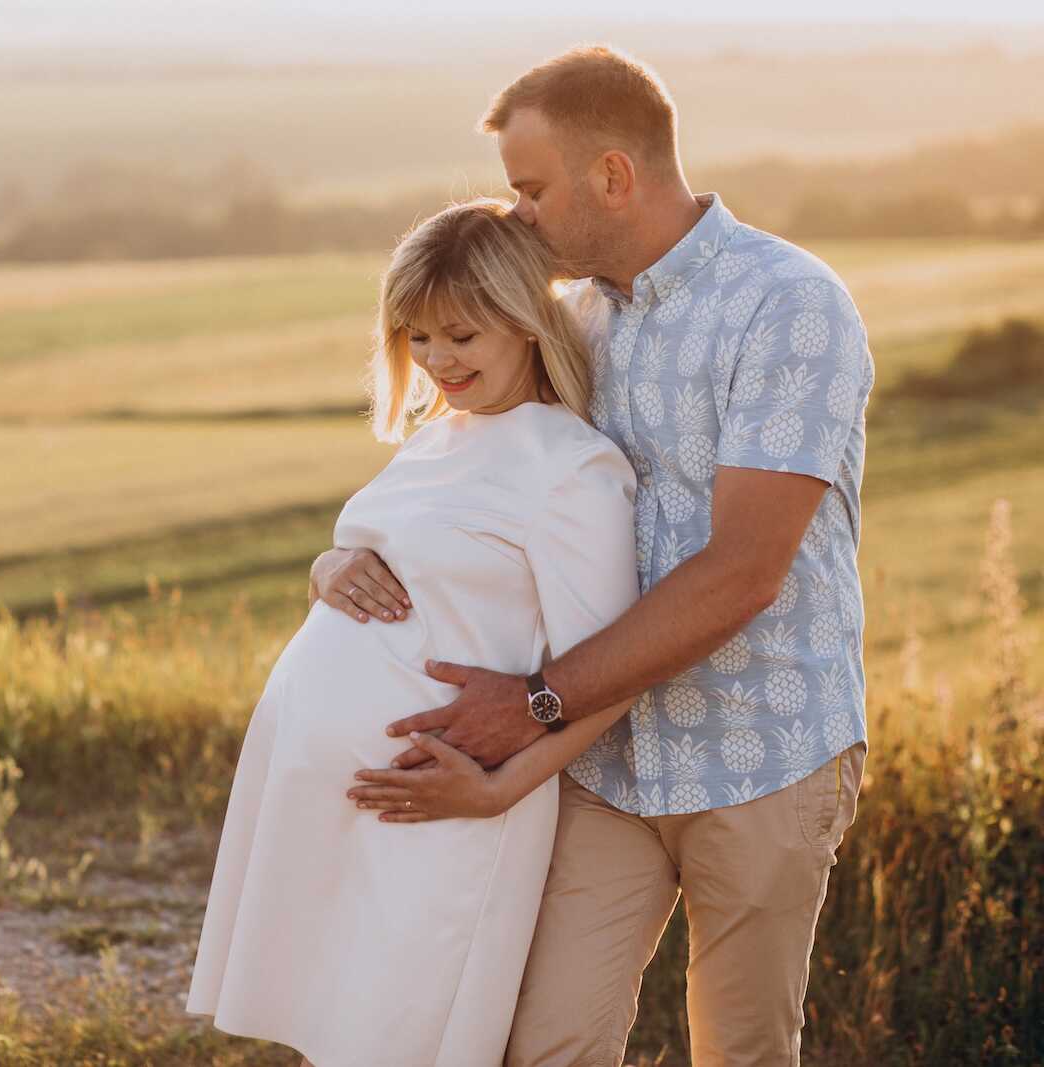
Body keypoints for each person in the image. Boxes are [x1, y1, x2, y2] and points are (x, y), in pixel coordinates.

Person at [336, 46, 874, 1066]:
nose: (517, 216)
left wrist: (530, 700)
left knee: (744, 1050)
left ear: (613, 176)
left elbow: (742, 571)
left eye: (530, 189)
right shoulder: (570, 319)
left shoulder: (787, 305)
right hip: (606, 760)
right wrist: (342, 559)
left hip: (762, 747)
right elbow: (469, 478)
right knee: (547, 1041)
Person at [185, 196, 641, 1067]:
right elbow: (402, 566)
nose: (437, 360)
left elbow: (609, 677)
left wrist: (498, 791)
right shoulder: (443, 437)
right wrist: (328, 567)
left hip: (450, 806)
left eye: (462, 336)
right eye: (417, 337)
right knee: (342, 1035)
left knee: (405, 1041)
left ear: (524, 324)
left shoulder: (572, 467)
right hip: (351, 807)